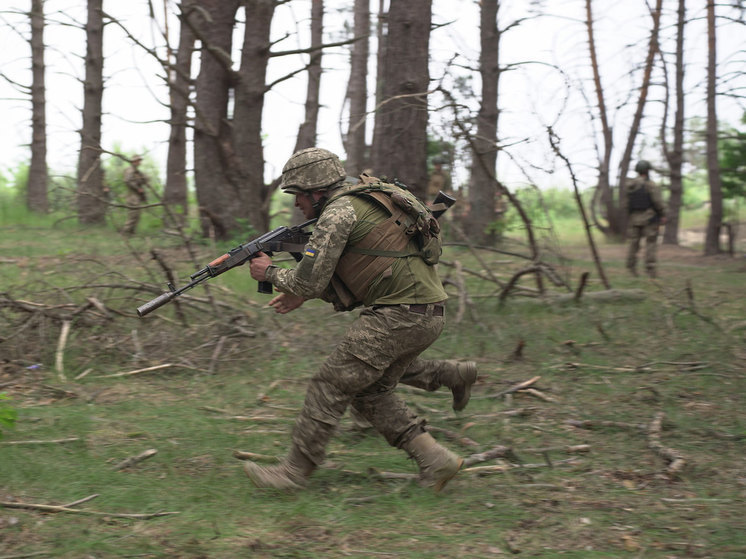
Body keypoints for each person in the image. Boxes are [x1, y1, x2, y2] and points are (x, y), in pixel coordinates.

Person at [245, 147, 467, 491]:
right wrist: (300, 290)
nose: (296, 205)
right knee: (368, 393)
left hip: (398, 314)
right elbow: (351, 265)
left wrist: (269, 271)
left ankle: (291, 474)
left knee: (330, 383)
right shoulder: (369, 195)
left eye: (299, 195)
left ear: (316, 191)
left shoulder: (337, 213)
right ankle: (437, 461)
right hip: (427, 311)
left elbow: (309, 281)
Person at [623, 160, 667, 278]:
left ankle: (631, 268)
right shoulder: (651, 185)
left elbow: (626, 204)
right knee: (651, 244)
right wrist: (663, 214)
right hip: (649, 219)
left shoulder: (630, 186)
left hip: (634, 219)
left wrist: (631, 216)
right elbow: (658, 202)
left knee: (634, 244)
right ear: (647, 170)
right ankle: (650, 270)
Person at [122, 155, 148, 236]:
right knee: (133, 214)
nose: (139, 162)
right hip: (132, 196)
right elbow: (127, 181)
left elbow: (144, 179)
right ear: (133, 161)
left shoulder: (137, 172)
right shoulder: (130, 170)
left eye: (139, 160)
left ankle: (131, 232)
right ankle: (125, 232)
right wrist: (137, 188)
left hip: (136, 196)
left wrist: (143, 179)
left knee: (137, 215)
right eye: (138, 160)